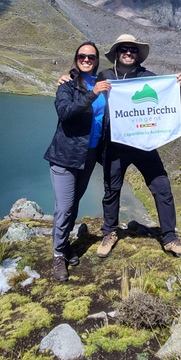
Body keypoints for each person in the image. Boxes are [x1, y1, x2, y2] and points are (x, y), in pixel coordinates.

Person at [96, 34, 181, 258]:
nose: (128, 53)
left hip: (144, 144)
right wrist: (68, 79)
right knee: (112, 190)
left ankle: (170, 238)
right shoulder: (105, 76)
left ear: (138, 55)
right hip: (115, 143)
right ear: (117, 54)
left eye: (133, 50)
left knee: (162, 187)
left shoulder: (149, 78)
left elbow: (166, 107)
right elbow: (86, 90)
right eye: (124, 50)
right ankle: (109, 232)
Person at [44, 42, 111, 282]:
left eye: (91, 57)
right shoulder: (68, 86)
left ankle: (65, 245)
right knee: (63, 207)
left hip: (88, 155)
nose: (86, 59)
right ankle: (58, 255)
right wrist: (92, 95)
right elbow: (66, 113)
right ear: (76, 58)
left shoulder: (103, 85)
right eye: (82, 56)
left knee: (73, 205)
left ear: (96, 60)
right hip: (65, 156)